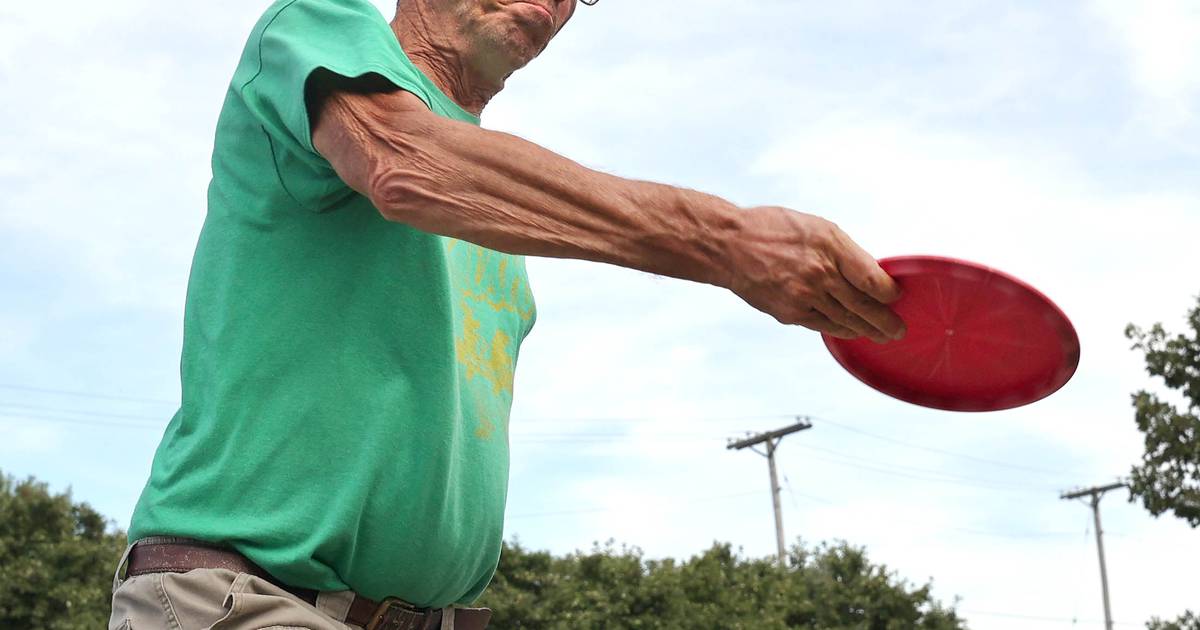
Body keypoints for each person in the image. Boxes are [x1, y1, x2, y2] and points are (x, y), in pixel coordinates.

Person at [108, 0, 906, 628]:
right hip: (246, 603)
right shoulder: (312, 25)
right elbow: (402, 162)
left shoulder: (506, 216)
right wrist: (726, 241)